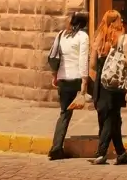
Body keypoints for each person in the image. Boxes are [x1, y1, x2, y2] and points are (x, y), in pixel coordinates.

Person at [88, 10, 127, 166]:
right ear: (116, 22)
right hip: (114, 85)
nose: (122, 22)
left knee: (110, 119)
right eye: (120, 19)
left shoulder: (98, 39)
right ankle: (101, 153)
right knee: (112, 120)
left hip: (100, 84)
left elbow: (92, 65)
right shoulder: (123, 38)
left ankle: (121, 153)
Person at [47, 11, 89, 161]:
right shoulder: (83, 37)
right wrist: (84, 82)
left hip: (63, 79)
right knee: (100, 102)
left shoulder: (61, 35)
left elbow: (54, 56)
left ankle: (56, 147)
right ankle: (104, 143)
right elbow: (83, 60)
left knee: (64, 113)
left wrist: (55, 76)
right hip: (76, 78)